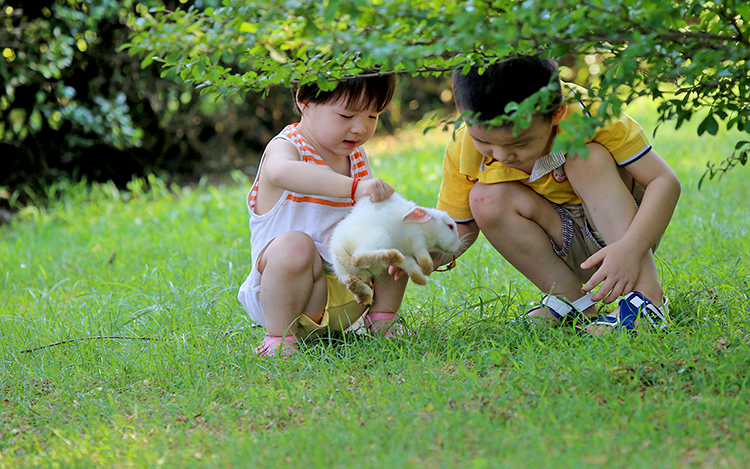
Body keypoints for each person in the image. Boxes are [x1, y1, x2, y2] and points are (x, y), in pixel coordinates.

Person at [435, 56, 681, 333]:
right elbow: (460, 226)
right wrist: (433, 252)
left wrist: (631, 247)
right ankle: (574, 302)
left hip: (625, 232)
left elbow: (664, 181)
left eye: (521, 142)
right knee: (485, 198)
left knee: (586, 157)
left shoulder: (589, 114)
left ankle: (647, 300)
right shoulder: (462, 147)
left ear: (557, 113)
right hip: (556, 234)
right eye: (484, 142)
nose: (503, 155)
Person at [237, 74, 409, 357]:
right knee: (294, 246)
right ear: (304, 101)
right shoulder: (286, 147)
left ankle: (381, 319)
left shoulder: (355, 155)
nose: (360, 128)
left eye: (372, 116)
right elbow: (281, 172)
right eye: (346, 115)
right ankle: (280, 338)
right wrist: (354, 188)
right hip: (292, 298)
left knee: (393, 226)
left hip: (351, 292)